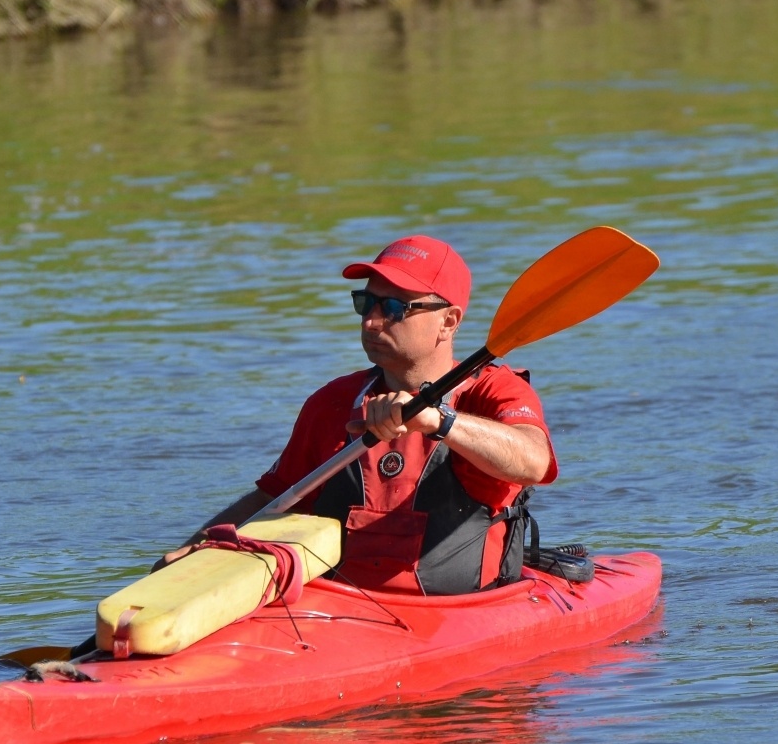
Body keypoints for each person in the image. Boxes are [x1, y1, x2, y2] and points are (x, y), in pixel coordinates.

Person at [160, 235, 557, 595]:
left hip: (460, 612)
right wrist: (200, 550)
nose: (370, 321)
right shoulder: (333, 401)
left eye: (395, 308)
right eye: (365, 303)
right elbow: (273, 500)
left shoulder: (493, 391)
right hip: (336, 611)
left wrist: (439, 420)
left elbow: (533, 462)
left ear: (448, 322)